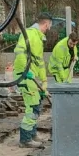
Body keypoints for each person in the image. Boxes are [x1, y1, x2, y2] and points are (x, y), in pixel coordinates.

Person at [13, 13, 52, 148]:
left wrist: (44, 82)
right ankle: (25, 139)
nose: (49, 29)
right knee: (32, 107)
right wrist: (26, 70)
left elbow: (39, 63)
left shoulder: (39, 38)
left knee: (37, 105)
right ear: (46, 24)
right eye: (49, 26)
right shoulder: (29, 34)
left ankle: (32, 134)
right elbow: (19, 52)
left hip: (33, 76)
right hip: (24, 75)